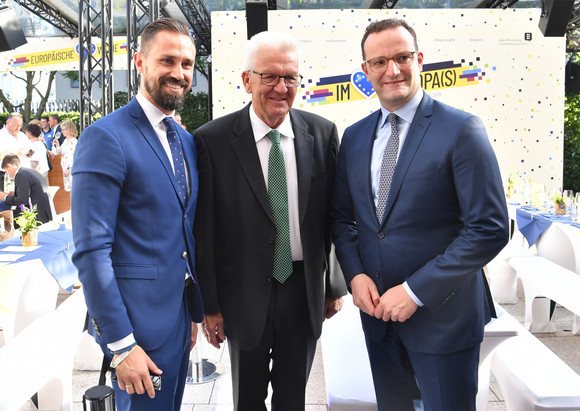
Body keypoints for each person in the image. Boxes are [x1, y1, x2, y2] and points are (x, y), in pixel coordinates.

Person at [330, 19, 509, 411]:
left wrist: (414, 292)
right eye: (379, 62)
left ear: (420, 59)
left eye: (401, 57)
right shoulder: (356, 136)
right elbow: (342, 219)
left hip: (443, 319)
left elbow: (490, 229)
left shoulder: (461, 129)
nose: (391, 70)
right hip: (378, 319)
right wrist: (355, 275)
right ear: (365, 71)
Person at [194, 31, 346, 411]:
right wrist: (209, 305)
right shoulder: (212, 140)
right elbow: (205, 230)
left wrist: (333, 285)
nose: (282, 87)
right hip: (242, 294)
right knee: (247, 400)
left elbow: (335, 215)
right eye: (270, 77)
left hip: (303, 289)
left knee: (293, 398)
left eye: (291, 77)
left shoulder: (322, 133)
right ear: (247, 80)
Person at [71, 17, 203, 411]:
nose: (178, 73)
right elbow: (91, 251)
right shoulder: (105, 137)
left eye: (187, 64)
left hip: (178, 320)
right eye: (167, 61)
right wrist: (121, 344)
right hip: (135, 332)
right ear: (139, 62)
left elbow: (181, 229)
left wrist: (191, 313)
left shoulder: (186, 141)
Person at [0, 154, 52, 225]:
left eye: (6, 171)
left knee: (7, 219)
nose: (8, 174)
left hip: (36, 215)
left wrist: (5, 197)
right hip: (44, 211)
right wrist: (15, 194)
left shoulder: (20, 175)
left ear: (9, 166)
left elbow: (22, 201)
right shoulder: (27, 171)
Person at [53, 120, 78, 191]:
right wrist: (57, 144)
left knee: (72, 191)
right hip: (65, 169)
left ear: (69, 129)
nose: (62, 131)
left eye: (63, 130)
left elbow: (74, 157)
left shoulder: (74, 141)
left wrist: (69, 169)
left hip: (70, 170)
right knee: (69, 190)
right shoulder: (65, 141)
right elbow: (60, 153)